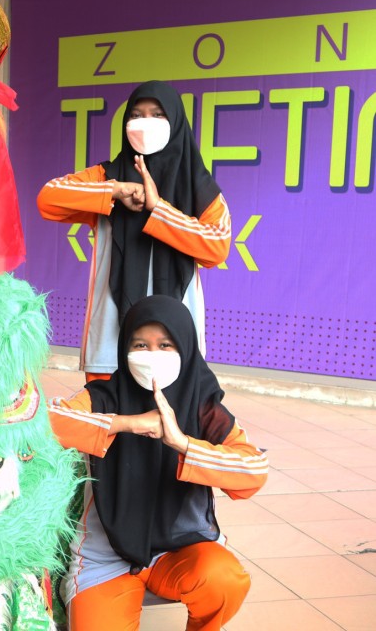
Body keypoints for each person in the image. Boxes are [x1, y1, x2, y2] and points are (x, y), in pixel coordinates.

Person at [48, 295, 268, 631]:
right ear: (124, 348)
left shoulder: (203, 408)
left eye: (165, 345)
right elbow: (48, 421)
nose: (152, 355)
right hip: (106, 556)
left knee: (224, 581)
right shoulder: (103, 396)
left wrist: (183, 444)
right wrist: (128, 423)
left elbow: (253, 471)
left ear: (185, 348)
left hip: (180, 550)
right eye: (140, 344)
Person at [37, 80, 231, 381]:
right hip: (110, 339)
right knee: (107, 421)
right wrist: (115, 190)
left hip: (175, 341)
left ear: (176, 122)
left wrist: (159, 209)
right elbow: (48, 198)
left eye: (157, 115)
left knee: (171, 423)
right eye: (136, 115)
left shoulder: (200, 190)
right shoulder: (107, 176)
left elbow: (216, 248)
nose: (145, 124)